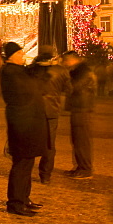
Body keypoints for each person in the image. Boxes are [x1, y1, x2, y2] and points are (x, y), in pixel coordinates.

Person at [0, 41, 49, 217]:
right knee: (21, 165)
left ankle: (24, 198)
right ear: (11, 57)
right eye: (20, 53)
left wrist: (40, 67)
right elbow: (27, 90)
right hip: (22, 125)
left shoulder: (19, 71)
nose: (23, 56)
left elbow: (36, 84)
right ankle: (15, 203)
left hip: (29, 123)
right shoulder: (10, 73)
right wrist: (37, 69)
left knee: (27, 163)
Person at [30, 51, 71, 184]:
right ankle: (45, 175)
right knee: (49, 144)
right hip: (51, 111)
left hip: (33, 111)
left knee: (29, 142)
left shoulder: (31, 70)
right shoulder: (61, 71)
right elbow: (69, 89)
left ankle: (25, 171)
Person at [61, 50, 96, 179]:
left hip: (82, 109)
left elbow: (72, 86)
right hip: (78, 108)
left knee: (82, 140)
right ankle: (80, 167)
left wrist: (65, 78)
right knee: (77, 140)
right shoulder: (79, 70)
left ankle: (86, 169)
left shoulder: (82, 71)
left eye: (65, 60)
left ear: (73, 59)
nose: (64, 63)